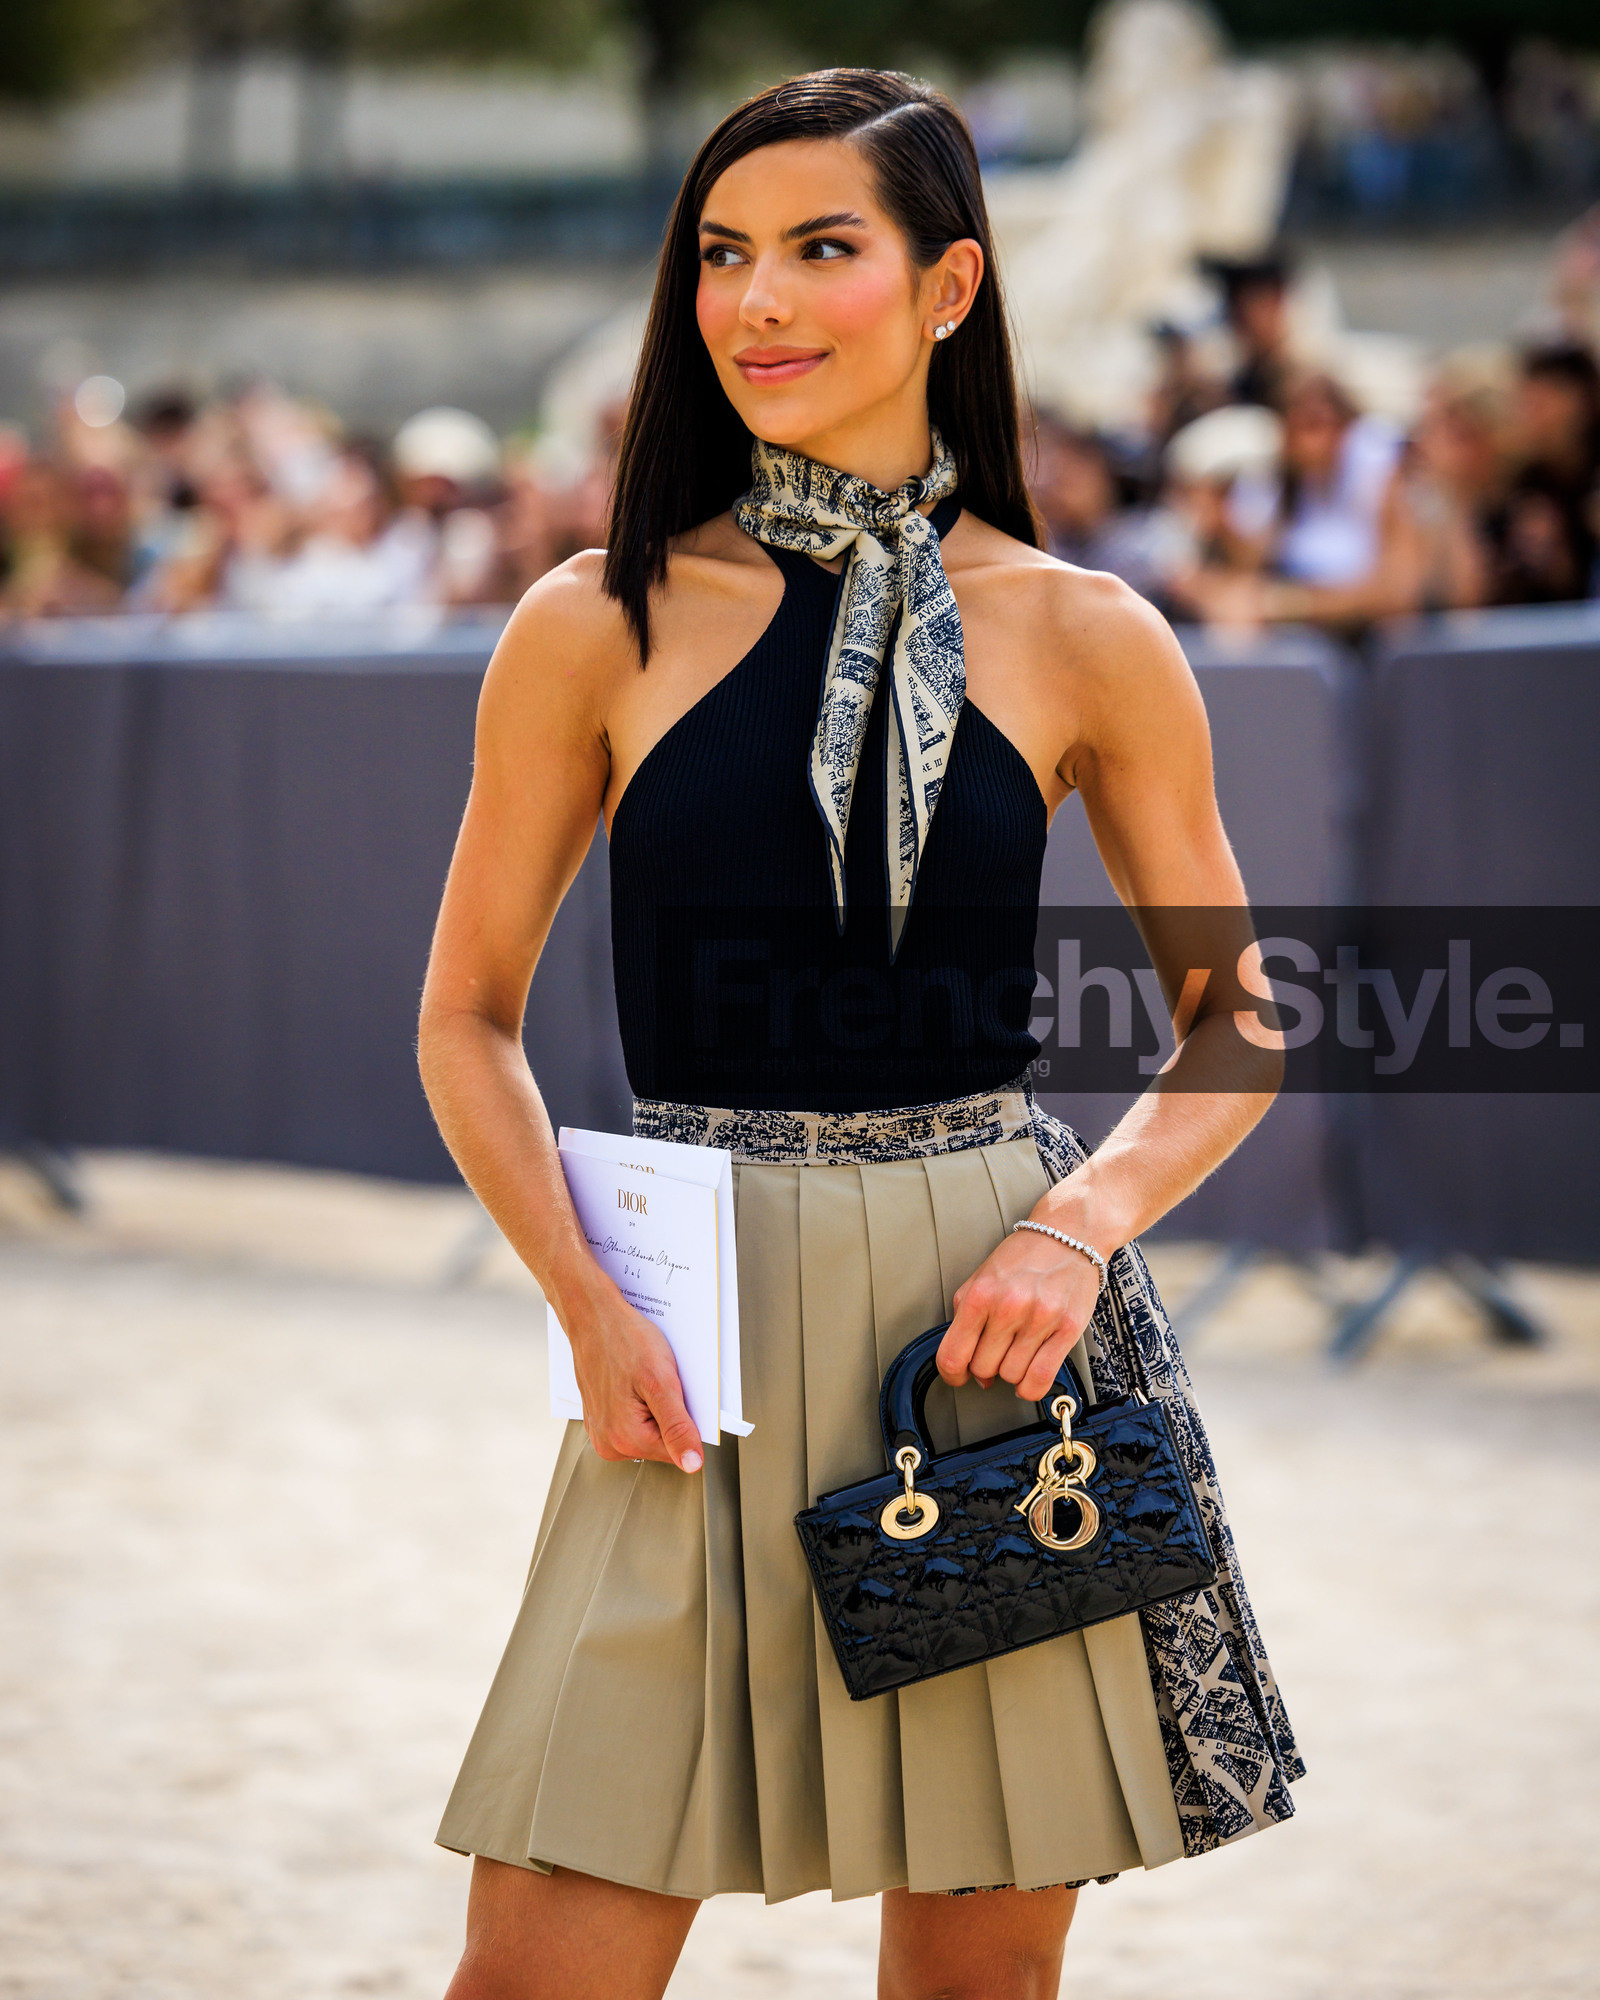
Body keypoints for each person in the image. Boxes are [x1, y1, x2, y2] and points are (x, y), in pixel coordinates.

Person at [417, 69, 1301, 2000]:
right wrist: (581, 1300)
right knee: (541, 1962)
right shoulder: (598, 620)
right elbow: (467, 1020)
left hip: (989, 1346)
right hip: (681, 1353)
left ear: (949, 288)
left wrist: (1078, 1233)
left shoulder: (1088, 634)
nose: (760, 302)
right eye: (725, 255)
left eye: (825, 249)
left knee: (974, 1986)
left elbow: (1241, 1019)